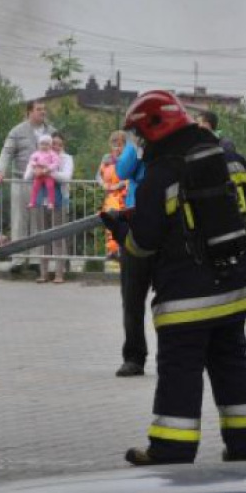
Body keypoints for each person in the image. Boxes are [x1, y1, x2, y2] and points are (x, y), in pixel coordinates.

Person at [103, 90, 246, 466]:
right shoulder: (229, 157)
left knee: (180, 369)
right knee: (232, 361)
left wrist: (122, 229)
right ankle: (244, 444)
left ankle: (171, 449)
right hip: (236, 286)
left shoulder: (163, 173)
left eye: (141, 136)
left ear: (157, 129)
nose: (140, 144)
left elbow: (143, 244)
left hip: (186, 297)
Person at [0, 100, 56, 272]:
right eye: (39, 109)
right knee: (19, 220)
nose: (42, 112)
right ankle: (18, 259)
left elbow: (59, 151)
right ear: (29, 112)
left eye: (44, 109)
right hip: (20, 180)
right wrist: (1, 171)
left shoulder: (51, 131)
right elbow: (6, 152)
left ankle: (37, 260)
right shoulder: (17, 131)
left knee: (38, 220)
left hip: (43, 181)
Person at [114, 135, 151, 378]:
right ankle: (134, 357)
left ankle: (179, 353)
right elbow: (122, 171)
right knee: (132, 298)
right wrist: (135, 146)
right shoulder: (136, 145)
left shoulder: (175, 145)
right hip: (136, 227)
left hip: (169, 230)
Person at [27, 133, 72, 283]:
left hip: (59, 200)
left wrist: (47, 171)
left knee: (58, 236)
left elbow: (66, 176)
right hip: (42, 200)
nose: (56, 147)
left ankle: (59, 273)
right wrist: (35, 170)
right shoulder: (40, 155)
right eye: (53, 144)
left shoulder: (66, 158)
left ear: (63, 146)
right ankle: (43, 273)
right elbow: (27, 176)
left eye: (59, 144)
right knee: (43, 236)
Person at [100, 131, 130, 259]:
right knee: (110, 222)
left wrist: (121, 184)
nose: (117, 148)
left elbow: (131, 176)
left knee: (125, 225)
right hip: (111, 196)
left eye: (120, 144)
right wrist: (105, 185)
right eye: (114, 144)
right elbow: (99, 175)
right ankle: (112, 250)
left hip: (125, 196)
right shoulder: (107, 159)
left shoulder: (129, 158)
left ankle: (123, 251)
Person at [26, 135, 61, 210]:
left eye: (46, 144)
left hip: (48, 174)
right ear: (39, 145)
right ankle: (32, 202)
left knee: (50, 186)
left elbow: (56, 163)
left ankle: (51, 202)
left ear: (50, 145)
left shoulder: (52, 153)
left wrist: (48, 169)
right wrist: (35, 166)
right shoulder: (36, 153)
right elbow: (31, 160)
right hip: (39, 174)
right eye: (42, 144)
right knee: (35, 187)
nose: (44, 146)